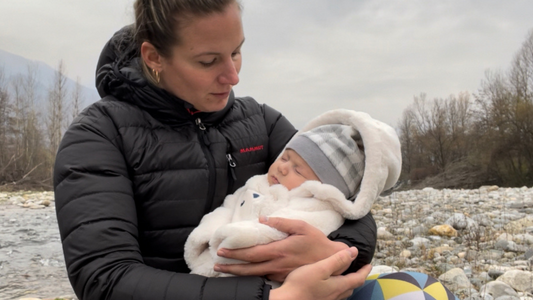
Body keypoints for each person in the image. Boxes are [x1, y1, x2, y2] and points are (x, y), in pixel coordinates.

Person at [53, 1, 378, 299]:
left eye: (236, 52)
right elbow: (104, 279)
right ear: (153, 57)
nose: (233, 76)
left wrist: (333, 250)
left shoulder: (262, 122)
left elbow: (353, 204)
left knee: (421, 290)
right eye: (208, 61)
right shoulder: (98, 136)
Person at [185, 109, 402, 282]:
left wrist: (341, 253)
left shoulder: (315, 207)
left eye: (298, 170)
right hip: (213, 267)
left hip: (263, 279)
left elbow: (275, 233)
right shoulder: (259, 183)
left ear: (323, 187)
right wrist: (204, 235)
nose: (282, 168)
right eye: (284, 158)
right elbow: (228, 207)